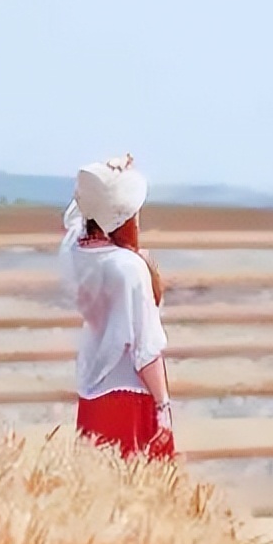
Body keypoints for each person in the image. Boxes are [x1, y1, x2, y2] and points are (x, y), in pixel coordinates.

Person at [58, 154, 175, 461]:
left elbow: (75, 217)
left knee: (96, 489)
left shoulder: (73, 251)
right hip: (129, 397)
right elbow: (145, 349)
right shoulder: (129, 268)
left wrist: (105, 181)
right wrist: (163, 406)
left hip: (92, 392)